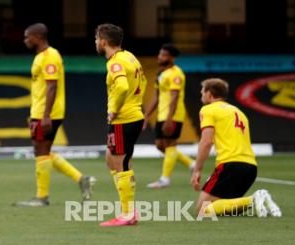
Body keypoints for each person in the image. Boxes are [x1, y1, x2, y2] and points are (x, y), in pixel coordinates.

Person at [15, 23, 96, 207]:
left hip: (47, 112)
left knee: (41, 151)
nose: (25, 40)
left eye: (28, 36)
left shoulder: (51, 56)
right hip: (40, 111)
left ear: (38, 37)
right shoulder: (40, 57)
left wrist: (45, 116)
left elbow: (52, 86)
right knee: (43, 151)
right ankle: (82, 179)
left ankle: (42, 197)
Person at [191, 78, 281, 217]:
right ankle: (255, 201)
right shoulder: (239, 112)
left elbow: (206, 141)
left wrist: (197, 170)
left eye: (202, 91)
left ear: (209, 93)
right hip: (250, 167)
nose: (201, 94)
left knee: (201, 211)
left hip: (230, 164)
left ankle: (253, 199)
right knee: (224, 205)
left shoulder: (208, 109)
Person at [95, 23, 147, 226]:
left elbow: (123, 86)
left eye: (96, 39)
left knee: (121, 162)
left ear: (104, 41)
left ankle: (128, 213)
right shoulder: (130, 56)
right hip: (133, 114)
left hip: (123, 118)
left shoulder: (114, 62)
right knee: (112, 160)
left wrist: (114, 109)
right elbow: (141, 82)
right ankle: (128, 208)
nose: (96, 43)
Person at [143, 44, 195, 188]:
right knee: (160, 146)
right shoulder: (160, 74)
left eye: (164, 55)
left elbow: (175, 97)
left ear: (172, 58)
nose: (160, 57)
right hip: (162, 114)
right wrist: (147, 115)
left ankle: (165, 179)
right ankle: (192, 164)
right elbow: (157, 96)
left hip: (173, 114)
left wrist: (170, 118)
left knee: (170, 144)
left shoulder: (176, 73)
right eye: (160, 54)